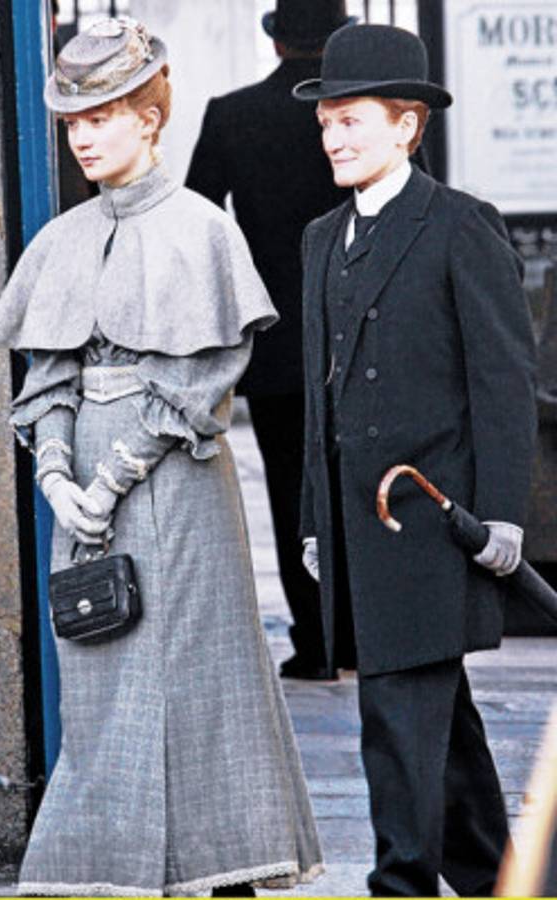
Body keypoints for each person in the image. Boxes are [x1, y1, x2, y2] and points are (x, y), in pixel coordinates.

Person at [0, 17, 323, 897]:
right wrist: (56, 477)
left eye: (102, 116)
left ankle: (225, 866)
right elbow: (46, 376)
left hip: (176, 484)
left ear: (149, 117)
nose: (83, 136)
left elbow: (201, 377)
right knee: (102, 681)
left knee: (202, 677)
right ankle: (113, 869)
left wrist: (111, 478)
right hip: (80, 496)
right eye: (74, 121)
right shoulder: (61, 240)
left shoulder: (202, 229)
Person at [293, 23, 537, 897]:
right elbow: (320, 397)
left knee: (395, 715)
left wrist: (502, 514)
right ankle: (498, 879)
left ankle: (399, 884)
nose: (334, 138)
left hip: (433, 523)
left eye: (352, 120)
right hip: (357, 525)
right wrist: (314, 522)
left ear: (407, 126)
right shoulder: (321, 237)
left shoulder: (460, 225)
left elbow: (503, 380)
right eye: (326, 123)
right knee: (438, 718)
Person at [186, 0, 354, 680]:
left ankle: (316, 643)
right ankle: (363, 637)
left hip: (277, 337)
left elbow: (198, 219)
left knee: (291, 492)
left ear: (277, 41)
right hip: (359, 332)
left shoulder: (232, 114)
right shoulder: (360, 118)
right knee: (364, 486)